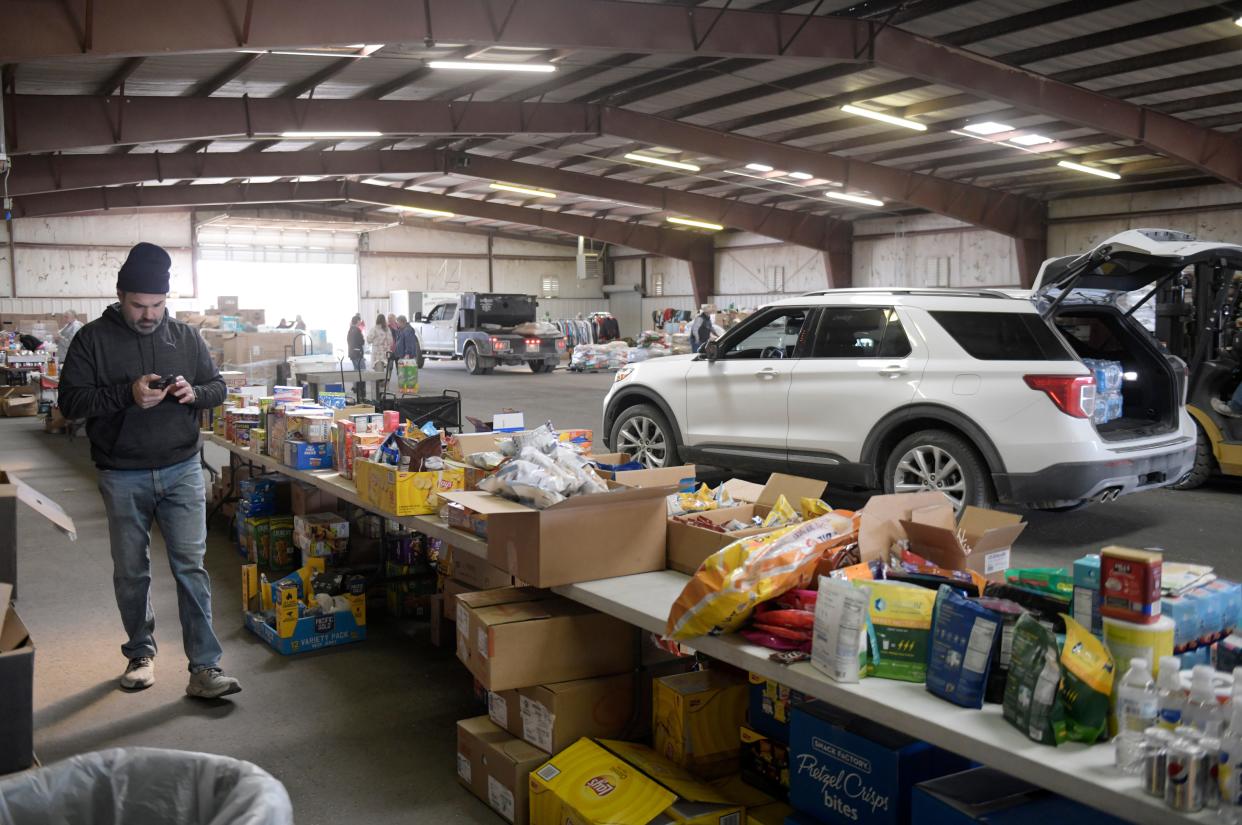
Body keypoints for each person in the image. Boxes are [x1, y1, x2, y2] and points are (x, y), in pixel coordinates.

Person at [58, 242, 242, 700]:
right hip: (123, 472)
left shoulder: (185, 336)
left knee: (191, 568)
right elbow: (71, 402)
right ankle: (140, 653)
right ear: (121, 296)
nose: (148, 315)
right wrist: (127, 394)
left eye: (156, 305)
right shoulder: (92, 340)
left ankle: (205, 668)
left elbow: (217, 386)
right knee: (131, 571)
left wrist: (192, 393)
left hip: (181, 467)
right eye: (139, 305)